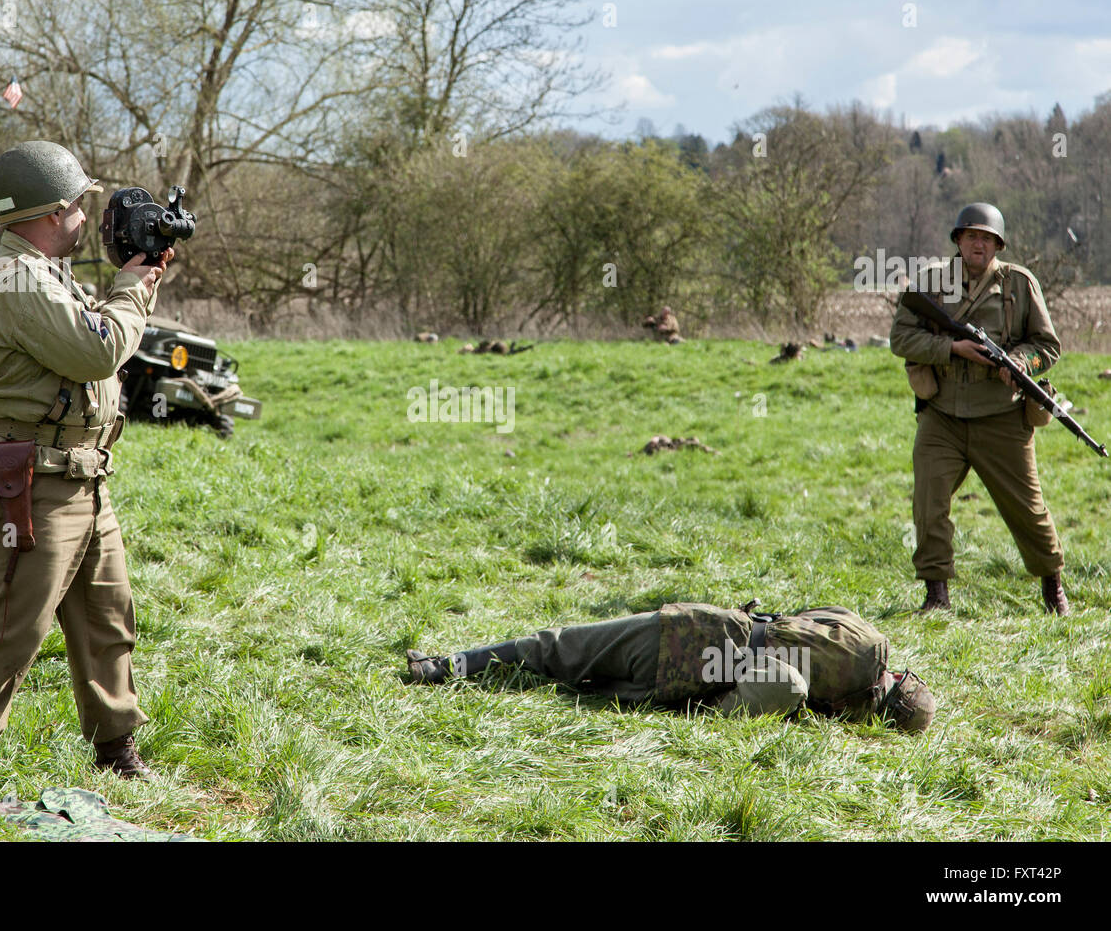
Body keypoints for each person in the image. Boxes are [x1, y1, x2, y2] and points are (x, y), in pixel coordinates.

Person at [0, 141, 170, 801]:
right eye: (79, 207)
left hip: (81, 476)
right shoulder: (18, 278)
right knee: (18, 626)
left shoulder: (39, 269)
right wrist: (131, 294)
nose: (88, 219)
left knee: (106, 616)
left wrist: (133, 285)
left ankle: (116, 746)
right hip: (33, 481)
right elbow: (95, 352)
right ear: (52, 212)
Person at [889, 203, 1067, 615]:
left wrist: (1020, 362)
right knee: (929, 503)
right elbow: (901, 338)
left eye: (986, 238)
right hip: (942, 415)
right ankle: (936, 595)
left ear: (998, 244)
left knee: (1028, 510)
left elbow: (1048, 346)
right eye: (970, 236)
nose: (978, 243)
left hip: (1001, 417)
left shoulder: (1019, 284)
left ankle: (1052, 586)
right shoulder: (932, 282)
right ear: (957, 240)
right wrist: (951, 347)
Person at [405, 601, 935, 732]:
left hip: (698, 630)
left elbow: (803, 618)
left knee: (555, 649)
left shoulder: (866, 635)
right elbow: (784, 685)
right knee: (576, 684)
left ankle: (444, 668)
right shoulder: (848, 706)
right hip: (681, 687)